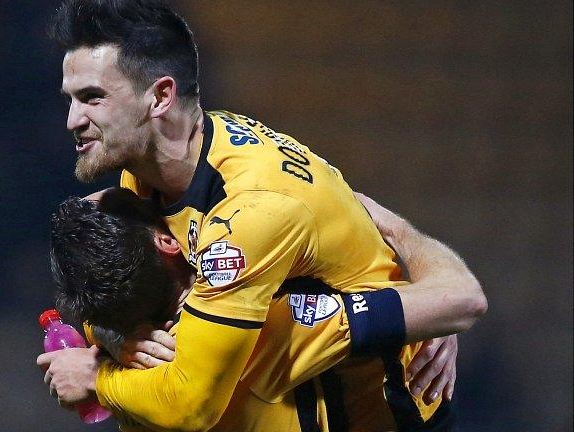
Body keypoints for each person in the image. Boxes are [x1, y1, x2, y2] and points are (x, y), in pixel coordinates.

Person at [37, 1, 487, 430]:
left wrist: (99, 376)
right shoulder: (147, 172)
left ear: (160, 98)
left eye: (92, 98)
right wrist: (120, 338)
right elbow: (128, 293)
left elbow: (191, 404)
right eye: (71, 99)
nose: (72, 119)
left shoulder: (254, 209)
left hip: (384, 416)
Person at [44, 188, 472, 430]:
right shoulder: (270, 326)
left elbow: (101, 303)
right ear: (166, 240)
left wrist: (103, 366)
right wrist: (402, 245)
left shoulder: (124, 351)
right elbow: (458, 300)